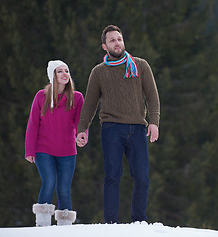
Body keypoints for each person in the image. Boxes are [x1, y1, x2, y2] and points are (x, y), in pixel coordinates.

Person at [76, 24, 160, 224]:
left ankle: (139, 221)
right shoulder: (98, 72)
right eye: (112, 40)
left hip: (138, 128)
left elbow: (152, 96)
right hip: (111, 128)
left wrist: (154, 122)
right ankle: (110, 224)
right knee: (112, 176)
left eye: (119, 39)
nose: (117, 42)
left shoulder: (140, 65)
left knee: (142, 177)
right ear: (104, 46)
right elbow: (90, 103)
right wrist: (82, 128)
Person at [25, 60, 86, 226]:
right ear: (53, 75)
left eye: (66, 70)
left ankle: (64, 228)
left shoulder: (77, 97)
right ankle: (43, 224)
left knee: (64, 189)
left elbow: (80, 122)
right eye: (60, 71)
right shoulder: (41, 96)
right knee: (49, 181)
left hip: (67, 151)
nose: (65, 74)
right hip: (43, 150)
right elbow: (33, 124)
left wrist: (82, 134)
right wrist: (29, 150)